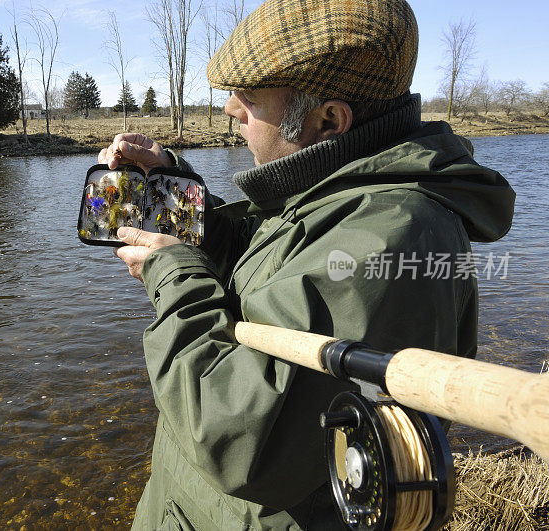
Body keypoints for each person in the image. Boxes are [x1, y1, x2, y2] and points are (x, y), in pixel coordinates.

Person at [98, 0, 515, 528]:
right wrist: (180, 195)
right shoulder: (341, 190)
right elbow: (274, 261)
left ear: (329, 119)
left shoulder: (388, 240)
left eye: (249, 99)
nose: (229, 109)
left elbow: (237, 438)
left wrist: (174, 276)